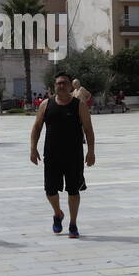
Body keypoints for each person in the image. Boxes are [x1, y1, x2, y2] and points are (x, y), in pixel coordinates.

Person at [30, 71, 96, 239]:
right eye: (58, 83)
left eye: (64, 83)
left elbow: (88, 129)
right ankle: (58, 213)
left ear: (70, 86)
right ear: (54, 86)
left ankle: (73, 223)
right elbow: (37, 127)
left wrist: (91, 151)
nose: (61, 85)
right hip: (51, 155)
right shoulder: (46, 104)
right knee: (50, 190)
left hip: (74, 155)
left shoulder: (79, 105)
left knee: (73, 190)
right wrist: (33, 148)